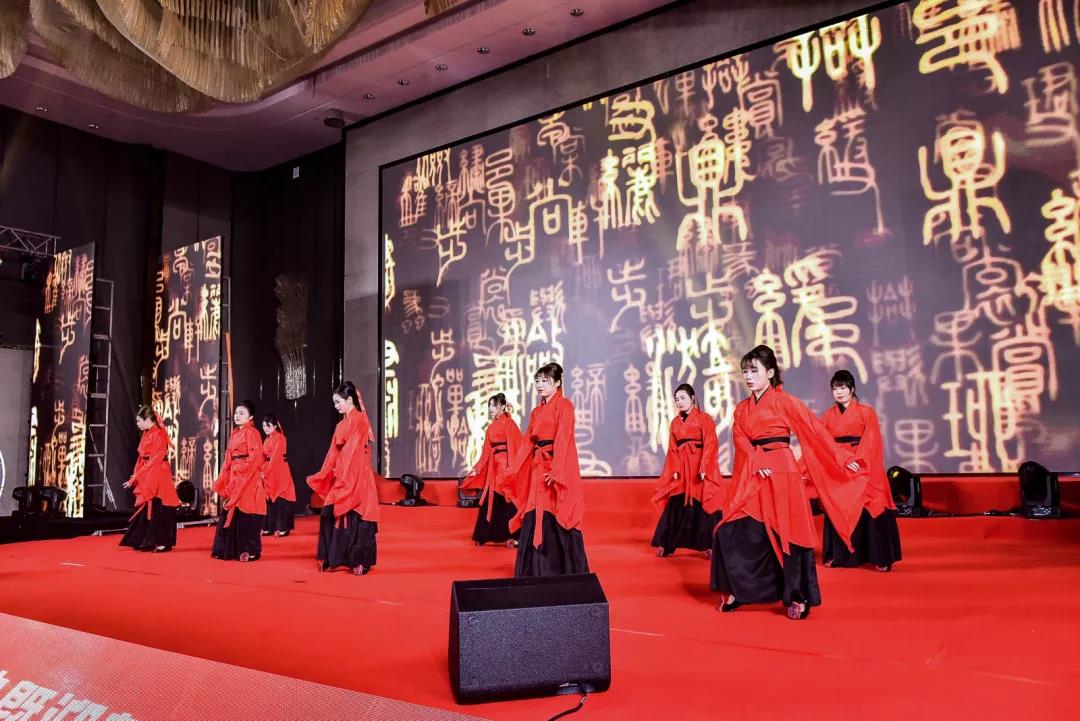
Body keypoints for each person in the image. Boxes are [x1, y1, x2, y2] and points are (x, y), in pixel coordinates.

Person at [711, 345, 866, 620]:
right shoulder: (742, 408)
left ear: (770, 373)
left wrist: (841, 457)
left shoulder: (785, 402)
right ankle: (740, 590)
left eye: (754, 371)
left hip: (782, 471)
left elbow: (815, 431)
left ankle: (798, 596)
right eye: (745, 371)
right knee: (730, 529)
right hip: (755, 472)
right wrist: (756, 459)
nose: (749, 376)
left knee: (789, 534)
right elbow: (739, 438)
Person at [505, 362, 588, 577]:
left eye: (545, 381)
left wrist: (557, 470)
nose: (540, 385)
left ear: (558, 383)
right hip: (538, 467)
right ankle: (533, 571)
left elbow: (563, 438)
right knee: (534, 511)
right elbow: (527, 442)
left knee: (558, 511)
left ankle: (561, 571)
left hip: (555, 467)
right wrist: (513, 469)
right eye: (537, 381)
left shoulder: (565, 406)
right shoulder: (536, 412)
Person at [819, 370, 902, 571]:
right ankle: (838, 555)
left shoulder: (866, 412)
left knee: (873, 502)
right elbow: (823, 443)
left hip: (864, 463)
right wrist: (842, 460)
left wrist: (857, 461)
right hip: (839, 465)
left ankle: (880, 557)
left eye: (843, 387)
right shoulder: (828, 415)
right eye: (835, 389)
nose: (839, 392)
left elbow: (872, 440)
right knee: (838, 505)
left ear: (852, 389)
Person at [307, 381, 379, 575]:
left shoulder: (360, 419)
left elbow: (353, 449)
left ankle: (359, 561)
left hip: (358, 474)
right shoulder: (340, 425)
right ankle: (330, 557)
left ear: (349, 400)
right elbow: (333, 452)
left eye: (338, 402)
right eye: (334, 402)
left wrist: (342, 471)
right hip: (343, 473)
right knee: (328, 512)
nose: (335, 406)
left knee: (360, 516)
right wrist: (324, 473)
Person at [651, 383, 724, 557]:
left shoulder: (704, 419)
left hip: (699, 466)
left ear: (692, 398)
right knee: (677, 502)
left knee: (704, 503)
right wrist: (675, 468)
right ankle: (667, 544)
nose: (679, 402)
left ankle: (711, 545)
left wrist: (705, 466)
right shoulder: (675, 423)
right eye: (676, 399)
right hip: (683, 467)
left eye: (682, 398)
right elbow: (673, 448)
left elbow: (711, 443)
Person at [463, 393, 522, 546]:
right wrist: (477, 468)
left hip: (506, 468)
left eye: (493, 405)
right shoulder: (490, 428)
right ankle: (484, 536)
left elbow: (517, 447)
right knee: (494, 500)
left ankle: (517, 536)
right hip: (495, 469)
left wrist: (512, 469)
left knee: (507, 499)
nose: (490, 408)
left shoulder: (510, 424)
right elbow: (486, 453)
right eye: (489, 405)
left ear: (502, 406)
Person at [211, 400, 266, 562]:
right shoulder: (235, 433)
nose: (237, 416)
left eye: (242, 413)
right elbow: (228, 458)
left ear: (251, 416)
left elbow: (255, 458)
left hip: (249, 478)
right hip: (236, 476)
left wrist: (241, 469)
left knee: (247, 513)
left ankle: (250, 550)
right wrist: (223, 477)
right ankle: (226, 549)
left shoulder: (253, 433)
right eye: (236, 413)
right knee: (231, 511)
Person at [119, 405, 179, 552]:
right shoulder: (147, 434)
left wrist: (139, 474)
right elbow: (142, 458)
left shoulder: (159, 435)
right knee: (150, 505)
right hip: (149, 470)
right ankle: (144, 540)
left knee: (161, 506)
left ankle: (163, 542)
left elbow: (155, 459)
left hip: (159, 472)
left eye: (139, 421)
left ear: (148, 420)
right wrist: (136, 475)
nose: (137, 424)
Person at [261, 413, 296, 537]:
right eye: (264, 426)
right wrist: (262, 470)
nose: (265, 428)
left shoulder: (280, 438)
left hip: (279, 469)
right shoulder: (267, 439)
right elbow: (264, 457)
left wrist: (265, 472)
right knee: (269, 498)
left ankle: (283, 528)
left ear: (275, 426)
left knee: (282, 497)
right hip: (269, 468)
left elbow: (275, 457)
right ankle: (269, 527)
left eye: (268, 426)